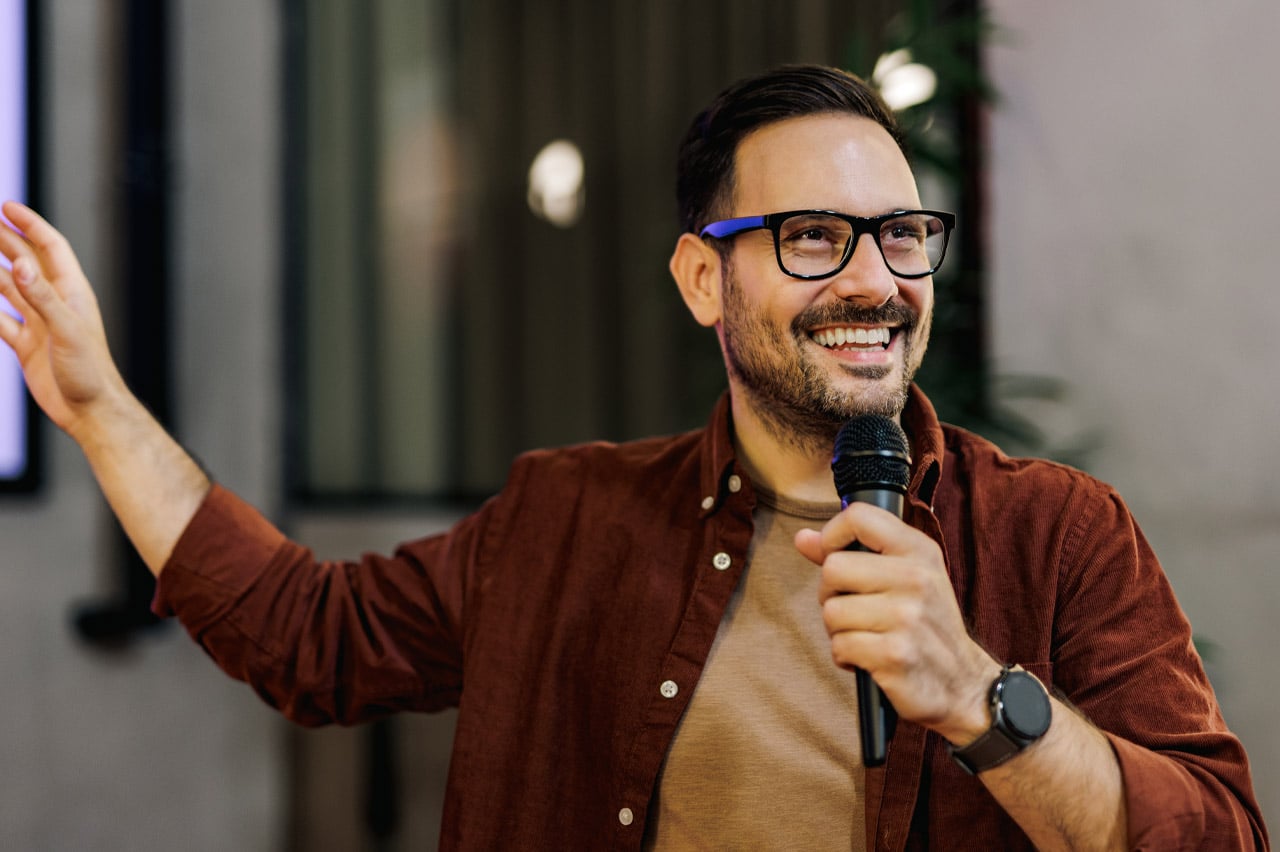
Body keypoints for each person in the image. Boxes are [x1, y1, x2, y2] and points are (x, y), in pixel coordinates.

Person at [0, 65, 1267, 850]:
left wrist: (985, 702)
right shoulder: (567, 517)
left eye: (901, 235)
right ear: (700, 279)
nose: (876, 281)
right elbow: (306, 634)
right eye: (815, 237)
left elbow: (1211, 838)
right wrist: (98, 402)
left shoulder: (1057, 534)